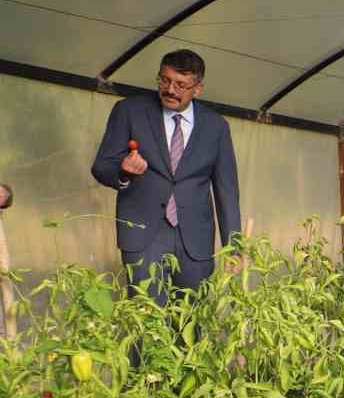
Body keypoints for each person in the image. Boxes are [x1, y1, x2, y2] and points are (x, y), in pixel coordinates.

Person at [90, 49, 241, 303]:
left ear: (198, 88)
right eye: (164, 80)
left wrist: (234, 247)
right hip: (143, 235)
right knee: (145, 318)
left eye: (181, 85)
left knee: (191, 323)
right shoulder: (129, 111)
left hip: (196, 240)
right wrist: (124, 170)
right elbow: (101, 166)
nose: (170, 89)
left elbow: (226, 190)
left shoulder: (216, 126)